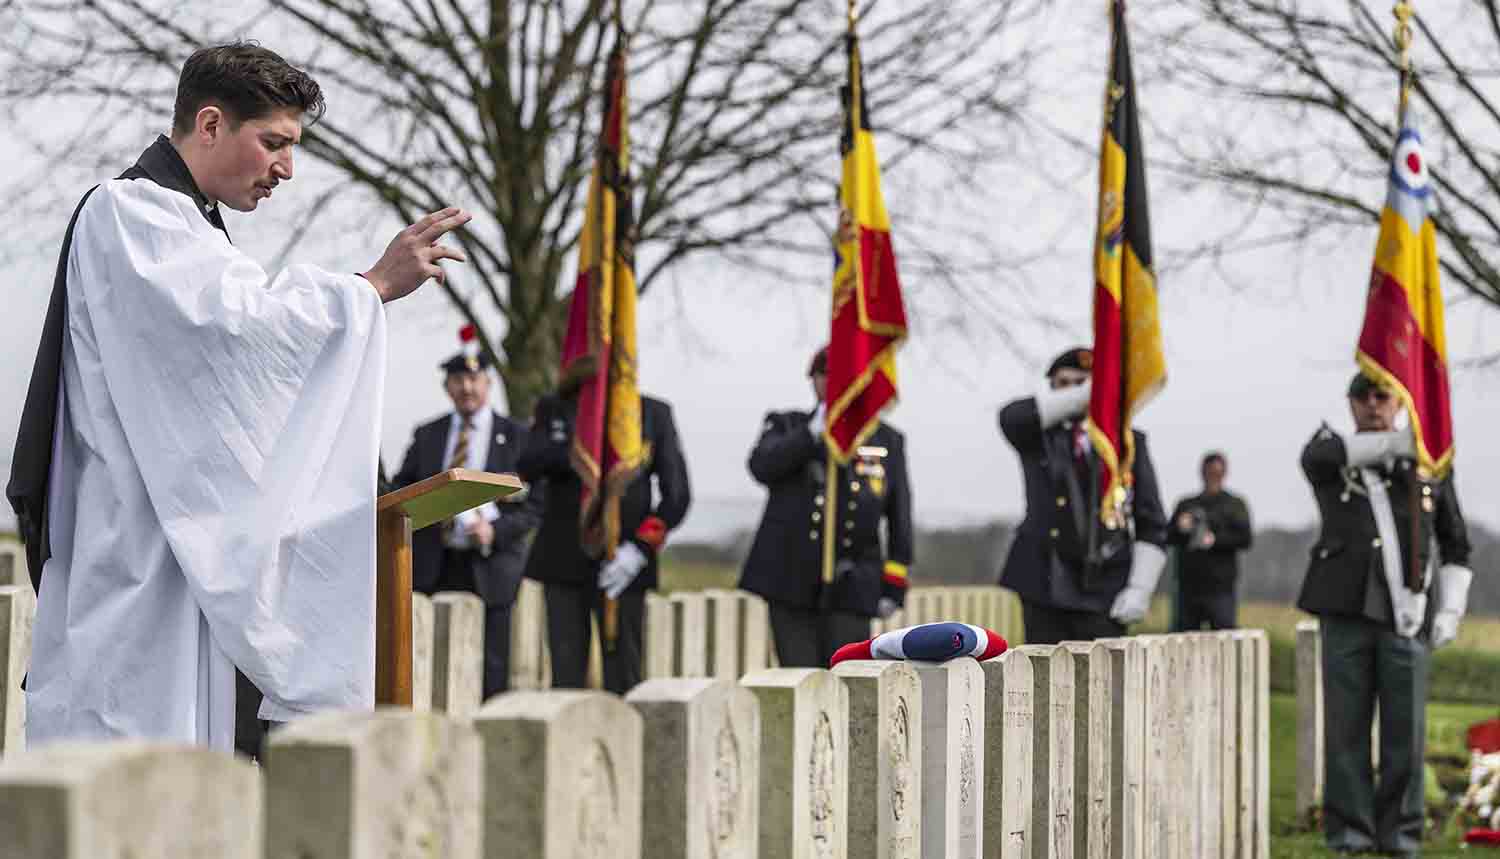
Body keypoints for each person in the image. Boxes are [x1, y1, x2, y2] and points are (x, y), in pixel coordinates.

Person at [7, 42, 471, 749]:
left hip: (172, 556)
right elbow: (235, 332)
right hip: (137, 561)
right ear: (213, 123)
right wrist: (369, 288)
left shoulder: (189, 227)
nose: (287, 168)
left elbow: (240, 354)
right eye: (275, 143)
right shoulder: (130, 212)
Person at [1299, 372, 1473, 858]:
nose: (1373, 405)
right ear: (1350, 404)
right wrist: (1398, 441)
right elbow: (1318, 459)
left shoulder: (1428, 467)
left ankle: (1400, 838)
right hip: (1346, 610)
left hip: (1408, 615)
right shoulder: (1335, 455)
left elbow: (1456, 542)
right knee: (1345, 734)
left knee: (1406, 736)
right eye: (1363, 397)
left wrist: (1452, 608)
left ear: (1400, 402)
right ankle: (1350, 837)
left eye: (1383, 396)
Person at [738, 347, 913, 668]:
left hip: (853, 585)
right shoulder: (787, 425)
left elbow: (899, 516)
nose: (834, 383)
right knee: (800, 679)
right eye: (825, 375)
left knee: (847, 679)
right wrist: (812, 432)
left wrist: (893, 585)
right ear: (814, 381)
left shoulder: (886, 440)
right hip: (790, 581)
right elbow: (762, 466)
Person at [391, 338, 542, 700]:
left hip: (491, 565)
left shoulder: (518, 436)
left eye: (474, 380)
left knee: (492, 668)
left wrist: (494, 530)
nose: (466, 388)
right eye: (457, 380)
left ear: (488, 384)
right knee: (429, 662)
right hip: (434, 563)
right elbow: (400, 488)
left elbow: (534, 505)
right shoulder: (428, 434)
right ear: (447, 388)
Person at [516, 389, 690, 694]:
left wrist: (640, 549)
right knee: (565, 677)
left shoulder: (653, 413)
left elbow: (676, 496)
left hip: (624, 564)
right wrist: (582, 448)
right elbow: (527, 464)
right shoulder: (555, 407)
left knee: (624, 676)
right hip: (563, 561)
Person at [996, 347, 1169, 645]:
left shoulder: (1127, 442)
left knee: (1101, 686)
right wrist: (1087, 394)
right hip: (1045, 582)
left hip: (1105, 585)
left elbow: (1151, 522)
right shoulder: (1038, 434)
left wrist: (1140, 587)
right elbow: (1011, 417)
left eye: (1084, 383)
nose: (1075, 392)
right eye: (1064, 384)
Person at [1167, 451, 1254, 631]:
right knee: (1184, 639)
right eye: (1209, 472)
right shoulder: (1186, 504)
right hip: (1188, 586)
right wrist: (1182, 527)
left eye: (1217, 472)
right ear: (1202, 473)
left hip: (1220, 587)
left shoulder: (1234, 505)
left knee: (1224, 638)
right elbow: (1168, 537)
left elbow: (1245, 539)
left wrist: (1215, 540)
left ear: (1224, 473)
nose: (1213, 477)